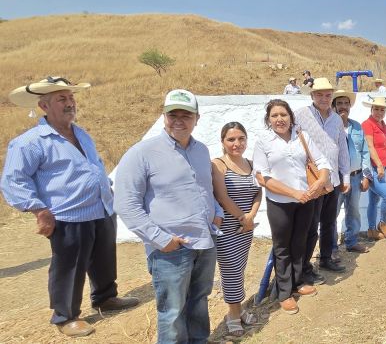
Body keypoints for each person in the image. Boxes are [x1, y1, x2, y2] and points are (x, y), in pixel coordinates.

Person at [1, 77, 139, 338]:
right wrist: (38, 210)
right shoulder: (31, 142)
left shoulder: (80, 133)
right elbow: (13, 180)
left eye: (71, 98)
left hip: (101, 209)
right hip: (67, 215)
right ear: (44, 105)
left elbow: (92, 164)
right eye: (61, 99)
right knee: (69, 266)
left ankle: (105, 298)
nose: (69, 103)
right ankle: (66, 316)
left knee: (104, 257)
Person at [114, 89, 223, 343]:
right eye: (172, 114)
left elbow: (205, 189)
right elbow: (126, 203)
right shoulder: (141, 153)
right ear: (163, 117)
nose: (179, 120)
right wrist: (161, 240)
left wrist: (216, 214)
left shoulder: (201, 151)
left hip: (205, 243)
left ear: (197, 118)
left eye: (186, 115)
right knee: (172, 313)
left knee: (198, 303)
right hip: (170, 250)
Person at [252, 99, 331, 314]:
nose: (280, 119)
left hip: (306, 200)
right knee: (282, 247)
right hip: (280, 203)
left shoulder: (302, 136)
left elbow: (323, 161)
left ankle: (298, 282)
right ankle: (284, 292)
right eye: (275, 115)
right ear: (268, 119)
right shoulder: (264, 142)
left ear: (291, 117)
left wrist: (320, 181)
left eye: (283, 115)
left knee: (301, 243)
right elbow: (262, 177)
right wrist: (293, 193)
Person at [294, 77, 350, 279]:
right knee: (310, 226)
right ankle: (304, 268)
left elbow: (341, 148)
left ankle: (326, 257)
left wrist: (345, 177)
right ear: (312, 95)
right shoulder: (300, 115)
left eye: (328, 95)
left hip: (333, 180)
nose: (324, 98)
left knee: (329, 222)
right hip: (313, 180)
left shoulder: (336, 119)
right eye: (320, 94)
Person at [211, 122, 262, 336]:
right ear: (223, 142)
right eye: (231, 139)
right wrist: (242, 217)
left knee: (239, 269)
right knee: (230, 270)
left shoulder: (251, 163)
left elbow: (258, 192)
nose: (237, 143)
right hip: (228, 229)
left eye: (241, 138)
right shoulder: (218, 164)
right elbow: (222, 197)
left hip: (246, 228)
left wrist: (251, 216)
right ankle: (233, 314)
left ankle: (238, 310)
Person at [332, 90, 371, 252]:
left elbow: (364, 152)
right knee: (331, 215)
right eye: (339, 103)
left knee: (353, 212)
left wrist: (366, 176)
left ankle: (352, 241)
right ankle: (331, 247)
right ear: (334, 106)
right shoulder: (329, 126)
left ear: (350, 106)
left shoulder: (356, 126)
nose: (343, 107)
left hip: (355, 177)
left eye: (346, 103)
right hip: (336, 179)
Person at [362, 96, 386, 242]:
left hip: (381, 166)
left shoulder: (382, 124)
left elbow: (380, 143)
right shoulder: (367, 124)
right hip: (373, 167)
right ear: (371, 109)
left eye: (382, 110)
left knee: (374, 200)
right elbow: (370, 146)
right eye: (376, 109)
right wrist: (378, 165)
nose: (379, 112)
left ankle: (371, 230)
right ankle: (382, 223)